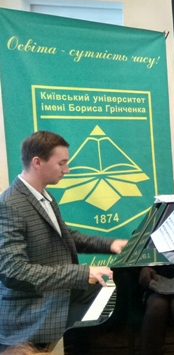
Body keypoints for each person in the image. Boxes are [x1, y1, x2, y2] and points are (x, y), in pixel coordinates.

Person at [0, 131, 128, 351]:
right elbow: (13, 272)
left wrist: (109, 244)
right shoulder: (10, 205)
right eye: (61, 163)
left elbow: (66, 236)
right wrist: (82, 273)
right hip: (32, 310)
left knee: (120, 286)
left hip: (55, 294)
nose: (66, 169)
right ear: (37, 162)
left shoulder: (45, 196)